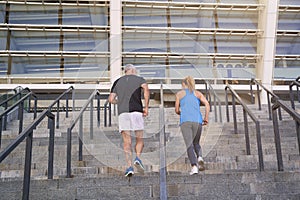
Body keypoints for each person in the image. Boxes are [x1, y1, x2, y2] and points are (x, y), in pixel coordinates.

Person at [108, 64, 150, 177]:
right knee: (139, 138)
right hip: (136, 111)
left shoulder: (117, 81)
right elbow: (146, 90)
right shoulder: (139, 79)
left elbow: (111, 99)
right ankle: (138, 158)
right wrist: (146, 107)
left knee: (127, 142)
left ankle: (129, 166)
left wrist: (119, 102)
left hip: (123, 113)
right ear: (132, 70)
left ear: (125, 71)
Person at [175, 76, 210, 175]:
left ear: (184, 84)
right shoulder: (198, 93)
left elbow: (177, 110)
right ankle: (199, 157)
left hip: (185, 121)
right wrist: (206, 117)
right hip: (197, 121)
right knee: (196, 143)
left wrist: (181, 113)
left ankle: (194, 166)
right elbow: (207, 104)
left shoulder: (179, 94)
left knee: (189, 144)